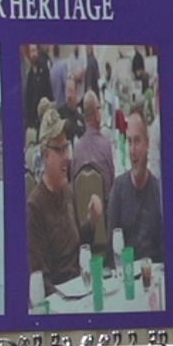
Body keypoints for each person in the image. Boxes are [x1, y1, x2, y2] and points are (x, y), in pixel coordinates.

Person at [27, 100, 101, 284]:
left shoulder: (68, 192)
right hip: (60, 301)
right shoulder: (35, 207)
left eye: (67, 148)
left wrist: (91, 222)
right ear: (46, 156)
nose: (67, 157)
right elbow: (40, 280)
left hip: (81, 286)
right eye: (60, 150)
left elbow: (79, 247)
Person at [106, 110, 163, 268]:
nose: (132, 151)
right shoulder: (118, 189)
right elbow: (110, 251)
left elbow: (163, 249)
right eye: (129, 142)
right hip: (126, 276)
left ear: (147, 144)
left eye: (137, 142)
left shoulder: (157, 191)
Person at [73, 91, 116, 185]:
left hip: (81, 199)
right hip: (103, 199)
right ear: (96, 114)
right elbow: (112, 183)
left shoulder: (76, 149)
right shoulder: (105, 145)